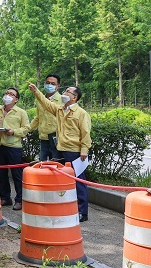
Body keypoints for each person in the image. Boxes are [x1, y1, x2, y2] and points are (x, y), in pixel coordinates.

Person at [28, 82, 91, 222]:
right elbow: (46, 103)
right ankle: (65, 207)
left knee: (79, 181)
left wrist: (84, 150)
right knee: (61, 180)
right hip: (61, 149)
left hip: (74, 151)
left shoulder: (81, 113)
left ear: (74, 97)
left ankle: (82, 212)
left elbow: (86, 133)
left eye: (68, 91)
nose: (64, 92)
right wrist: (36, 91)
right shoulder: (60, 110)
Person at [0, 87, 30, 211]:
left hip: (14, 146)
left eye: (11, 94)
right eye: (7, 93)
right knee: (1, 173)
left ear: (16, 99)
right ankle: (5, 197)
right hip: (0, 145)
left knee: (17, 174)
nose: (8, 95)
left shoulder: (21, 112)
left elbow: (26, 128)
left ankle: (19, 199)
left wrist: (14, 132)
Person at [29, 74, 62, 162]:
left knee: (55, 164)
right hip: (43, 137)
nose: (49, 85)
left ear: (58, 86)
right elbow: (38, 117)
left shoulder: (62, 100)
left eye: (53, 83)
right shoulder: (40, 99)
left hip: (56, 139)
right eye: (47, 83)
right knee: (43, 164)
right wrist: (27, 129)